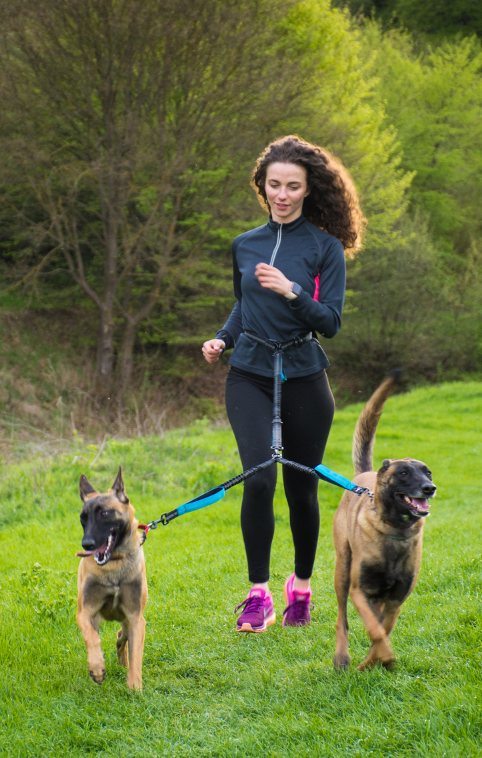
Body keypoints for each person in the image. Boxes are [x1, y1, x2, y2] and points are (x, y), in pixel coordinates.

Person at [201, 135, 365, 633]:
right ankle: (258, 596)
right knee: (259, 478)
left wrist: (293, 290)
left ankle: (301, 588)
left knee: (301, 487)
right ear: (263, 186)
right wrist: (222, 338)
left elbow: (331, 321)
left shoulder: (324, 248)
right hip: (249, 373)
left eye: (293, 186)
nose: (283, 194)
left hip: (303, 375)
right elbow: (244, 304)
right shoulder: (244, 244)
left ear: (308, 190)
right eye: (274, 184)